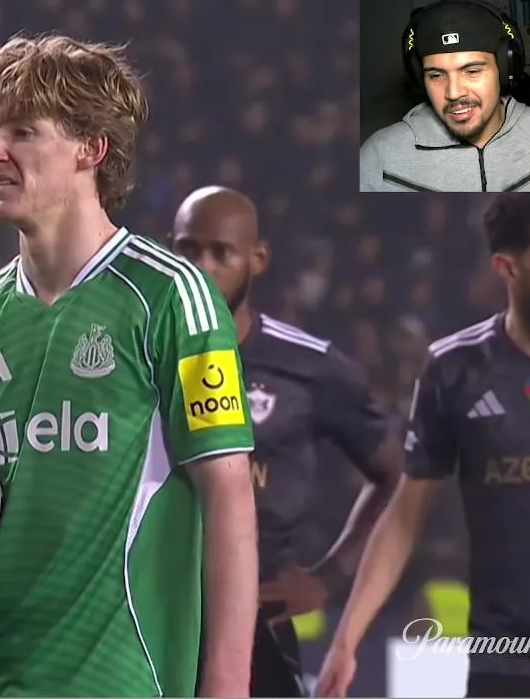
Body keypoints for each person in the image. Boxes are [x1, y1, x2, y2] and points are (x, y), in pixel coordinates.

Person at [0, 35, 261, 697]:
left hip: (122, 683)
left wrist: (226, 687)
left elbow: (229, 498)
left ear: (92, 149)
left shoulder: (172, 297)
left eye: (23, 132)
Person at [317, 195, 530, 698]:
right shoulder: (454, 369)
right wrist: (345, 639)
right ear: (507, 267)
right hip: (503, 660)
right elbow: (405, 516)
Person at [169, 186, 402, 697]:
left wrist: (328, 578)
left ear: (258, 259)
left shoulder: (309, 366)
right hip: (151, 617)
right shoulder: (139, 354)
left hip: (258, 627)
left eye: (221, 253)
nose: (203, 267)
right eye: (188, 250)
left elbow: (396, 474)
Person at [359, 0, 530, 192]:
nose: (453, 93)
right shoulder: (380, 157)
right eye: (436, 75)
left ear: (504, 70)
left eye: (472, 71)